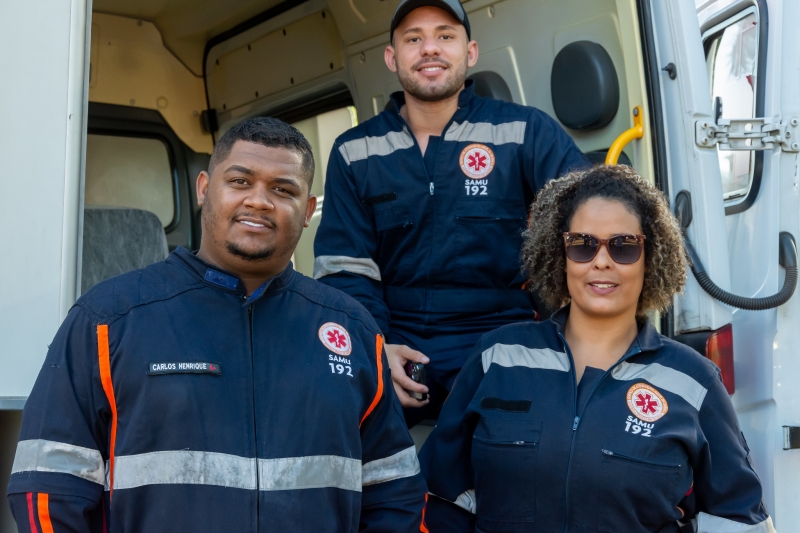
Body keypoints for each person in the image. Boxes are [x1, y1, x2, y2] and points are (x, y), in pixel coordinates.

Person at [7, 118, 426, 533]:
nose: (259, 201)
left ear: (308, 211)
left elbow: (394, 493)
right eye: (240, 181)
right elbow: (49, 488)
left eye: (283, 189)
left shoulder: (351, 330)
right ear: (204, 189)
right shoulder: (108, 319)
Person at [418, 165, 776, 532]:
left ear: (650, 257)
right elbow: (436, 499)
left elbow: (741, 520)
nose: (601, 261)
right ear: (560, 253)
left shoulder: (694, 382)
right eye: (583, 245)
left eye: (623, 247)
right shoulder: (497, 357)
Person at [313, 0, 589, 425]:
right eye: (413, 39)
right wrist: (375, 349)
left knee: (518, 446)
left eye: (445, 36)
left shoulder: (524, 132)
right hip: (396, 337)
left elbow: (594, 211)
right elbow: (345, 270)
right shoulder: (355, 151)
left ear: (470, 52)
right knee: (330, 422)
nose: (430, 49)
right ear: (392, 57)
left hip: (501, 336)